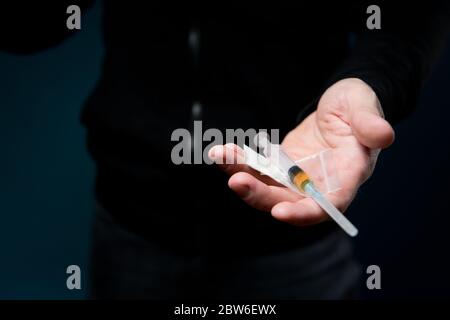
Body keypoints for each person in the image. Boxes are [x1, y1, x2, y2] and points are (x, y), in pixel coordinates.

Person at [1, 1, 449, 299]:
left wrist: (370, 81)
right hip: (131, 226)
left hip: (293, 248)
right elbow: (29, 26)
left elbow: (409, 10)